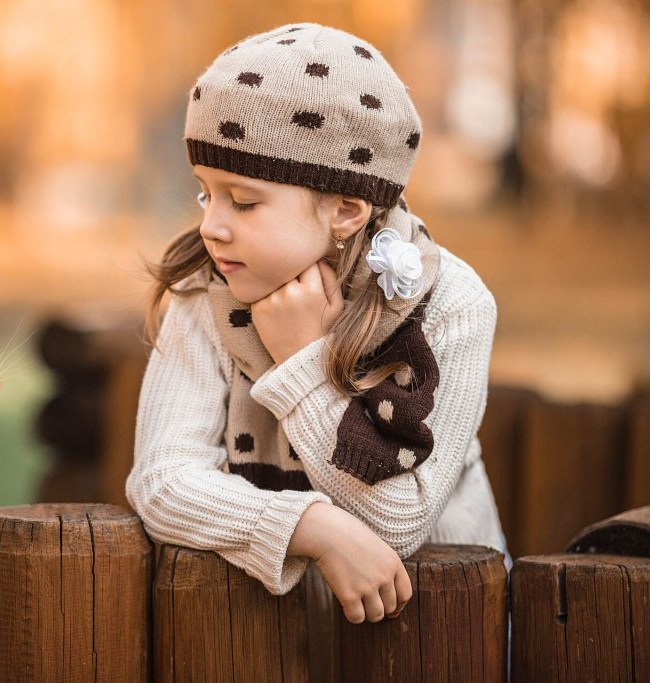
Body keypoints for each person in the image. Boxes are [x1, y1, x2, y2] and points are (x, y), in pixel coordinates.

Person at [125, 22, 512, 627]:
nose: (211, 226)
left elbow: (401, 519)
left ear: (347, 209)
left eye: (244, 201)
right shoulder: (205, 294)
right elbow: (161, 481)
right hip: (261, 634)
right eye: (206, 194)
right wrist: (313, 528)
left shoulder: (450, 303)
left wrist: (304, 363)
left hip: (443, 629)